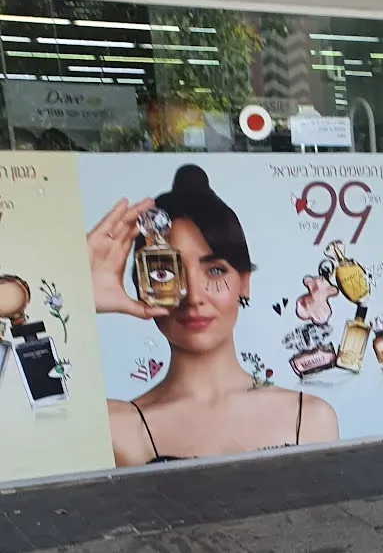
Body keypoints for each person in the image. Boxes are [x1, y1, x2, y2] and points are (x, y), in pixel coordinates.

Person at [88, 165, 338, 466]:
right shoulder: (120, 426)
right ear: (143, 287)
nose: (194, 296)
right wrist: (80, 297)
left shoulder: (310, 418)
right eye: (166, 272)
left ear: (244, 282)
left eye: (215, 270)